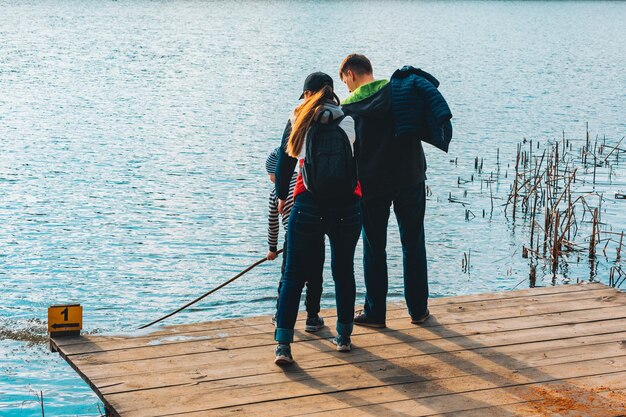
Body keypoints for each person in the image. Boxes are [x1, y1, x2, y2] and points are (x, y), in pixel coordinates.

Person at [339, 54, 452, 328]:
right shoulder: (399, 92)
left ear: (350, 75)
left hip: (371, 185)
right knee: (413, 242)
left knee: (374, 247)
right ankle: (418, 311)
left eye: (345, 82)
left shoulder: (349, 110)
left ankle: (376, 313)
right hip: (409, 177)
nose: (346, 88)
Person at [273, 72, 362, 365]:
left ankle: (284, 345)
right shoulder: (347, 119)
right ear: (332, 92)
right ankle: (344, 337)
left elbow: (286, 161)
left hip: (308, 203)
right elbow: (357, 161)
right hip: (347, 205)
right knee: (343, 270)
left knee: (293, 275)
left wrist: (281, 196)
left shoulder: (298, 118)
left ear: (307, 93)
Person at [265, 148, 324, 332]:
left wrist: (272, 248)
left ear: (278, 171)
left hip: (292, 236)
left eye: (270, 174)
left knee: (287, 277)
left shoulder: (276, 192)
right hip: (315, 232)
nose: (270, 179)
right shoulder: (306, 180)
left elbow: (273, 223)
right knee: (315, 278)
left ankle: (279, 315)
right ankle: (312, 319)